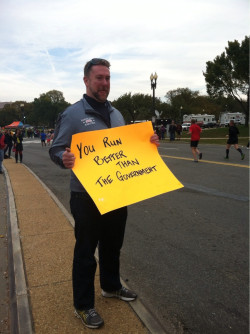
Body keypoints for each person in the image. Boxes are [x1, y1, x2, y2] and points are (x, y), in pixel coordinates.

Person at [49, 58, 160, 329]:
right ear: (86, 80)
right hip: (85, 196)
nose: (104, 83)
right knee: (86, 252)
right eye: (99, 78)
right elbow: (55, 148)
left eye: (108, 78)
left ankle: (111, 287)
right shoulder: (73, 114)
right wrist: (61, 158)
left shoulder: (117, 114)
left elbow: (126, 150)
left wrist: (149, 144)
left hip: (116, 191)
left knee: (113, 245)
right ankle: (83, 305)